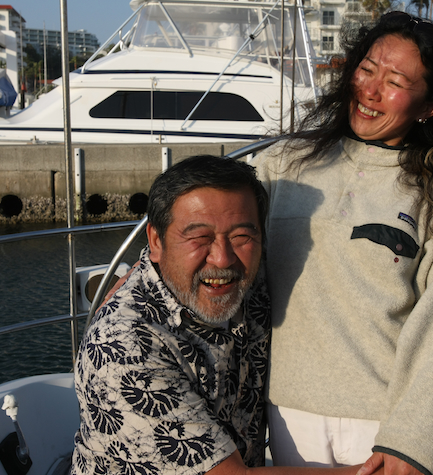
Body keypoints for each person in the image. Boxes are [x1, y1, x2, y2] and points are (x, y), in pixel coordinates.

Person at [254, 11, 433, 475]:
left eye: (395, 82)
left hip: (389, 421)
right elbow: (212, 226)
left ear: (430, 106)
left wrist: (412, 441)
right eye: (366, 70)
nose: (370, 90)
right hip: (290, 412)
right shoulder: (282, 163)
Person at [72, 155, 369, 475]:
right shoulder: (121, 346)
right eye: (199, 238)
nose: (223, 259)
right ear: (156, 241)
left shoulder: (249, 279)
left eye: (241, 237)